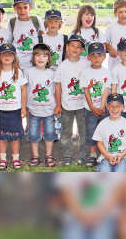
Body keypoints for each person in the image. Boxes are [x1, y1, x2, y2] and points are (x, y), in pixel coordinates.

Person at [0, 44, 28, 170]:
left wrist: (23, 107)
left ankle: (15, 159)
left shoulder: (18, 72)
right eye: (4, 54)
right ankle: (2, 159)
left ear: (14, 57)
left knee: (15, 136)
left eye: (10, 54)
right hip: (0, 110)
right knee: (2, 136)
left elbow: (23, 91)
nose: (7, 56)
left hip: (15, 110)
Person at [54, 35, 89, 167]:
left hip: (82, 104)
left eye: (78, 47)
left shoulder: (86, 64)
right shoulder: (62, 66)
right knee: (66, 132)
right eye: (72, 46)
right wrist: (58, 104)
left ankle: (83, 155)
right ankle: (67, 156)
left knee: (83, 131)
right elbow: (58, 86)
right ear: (67, 47)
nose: (75, 49)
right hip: (66, 105)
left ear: (82, 50)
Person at [25, 44, 57, 168]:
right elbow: (24, 89)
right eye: (37, 55)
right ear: (33, 58)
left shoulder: (52, 73)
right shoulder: (28, 72)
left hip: (49, 109)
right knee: (33, 133)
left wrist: (57, 105)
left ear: (48, 59)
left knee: (50, 133)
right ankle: (35, 155)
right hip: (33, 109)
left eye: (44, 56)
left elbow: (56, 90)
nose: (41, 58)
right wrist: (25, 107)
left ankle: (49, 155)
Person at [80, 42, 112, 167]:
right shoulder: (85, 72)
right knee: (91, 130)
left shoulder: (106, 72)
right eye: (93, 55)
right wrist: (92, 107)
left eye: (99, 55)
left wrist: (102, 106)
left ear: (104, 56)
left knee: (105, 130)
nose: (96, 58)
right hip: (90, 109)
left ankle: (106, 154)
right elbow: (86, 91)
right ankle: (92, 156)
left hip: (103, 108)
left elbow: (106, 90)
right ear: (88, 57)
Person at [92, 94, 126, 172]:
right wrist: (107, 156)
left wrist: (122, 155)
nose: (114, 109)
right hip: (107, 155)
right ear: (107, 107)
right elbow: (99, 143)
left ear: (123, 108)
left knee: (120, 171)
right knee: (104, 171)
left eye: (118, 106)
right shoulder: (103, 124)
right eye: (111, 106)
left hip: (124, 156)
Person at [9, 0, 45, 69]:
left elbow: (44, 36)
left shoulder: (36, 20)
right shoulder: (12, 22)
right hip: (17, 62)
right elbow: (10, 39)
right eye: (19, 7)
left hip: (33, 61)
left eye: (25, 7)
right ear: (14, 8)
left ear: (30, 7)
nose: (22, 11)